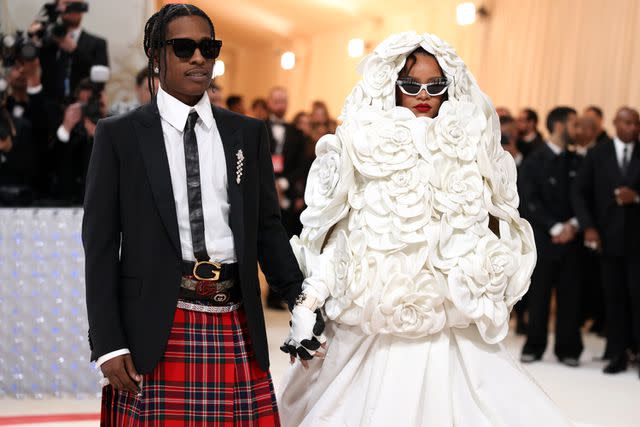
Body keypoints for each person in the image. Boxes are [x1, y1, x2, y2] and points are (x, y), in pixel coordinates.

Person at [278, 32, 573, 426]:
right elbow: (347, 235)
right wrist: (309, 299)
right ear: (391, 84)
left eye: (436, 85)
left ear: (449, 87)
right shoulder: (363, 141)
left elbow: (475, 235)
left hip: (447, 312)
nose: (423, 94)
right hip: (373, 310)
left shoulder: (465, 147)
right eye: (411, 84)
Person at [83, 4, 318, 424]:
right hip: (154, 327)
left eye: (208, 47)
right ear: (156, 57)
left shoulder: (247, 133)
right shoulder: (118, 137)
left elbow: (267, 229)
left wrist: (302, 302)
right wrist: (107, 343)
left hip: (236, 323)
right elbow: (99, 247)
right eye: (184, 47)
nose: (198, 57)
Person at [573, 107, 640, 378]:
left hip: (638, 242)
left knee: (637, 297)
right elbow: (579, 192)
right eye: (626, 123)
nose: (632, 128)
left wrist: (635, 198)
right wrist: (588, 227)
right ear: (614, 124)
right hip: (607, 239)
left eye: (635, 124)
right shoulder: (598, 153)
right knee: (613, 299)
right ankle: (617, 353)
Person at [519, 107, 584, 367]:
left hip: (573, 240)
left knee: (571, 297)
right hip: (544, 241)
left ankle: (568, 349)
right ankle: (534, 346)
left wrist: (574, 224)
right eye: (574, 125)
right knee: (539, 296)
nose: (578, 131)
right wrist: (555, 227)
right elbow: (528, 200)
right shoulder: (534, 161)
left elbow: (585, 197)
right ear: (559, 126)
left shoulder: (578, 161)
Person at [34, 0, 109, 105]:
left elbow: (99, 79)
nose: (73, 8)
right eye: (68, 3)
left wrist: (74, 50)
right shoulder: (46, 40)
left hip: (83, 106)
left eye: (77, 4)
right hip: (48, 107)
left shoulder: (98, 43)